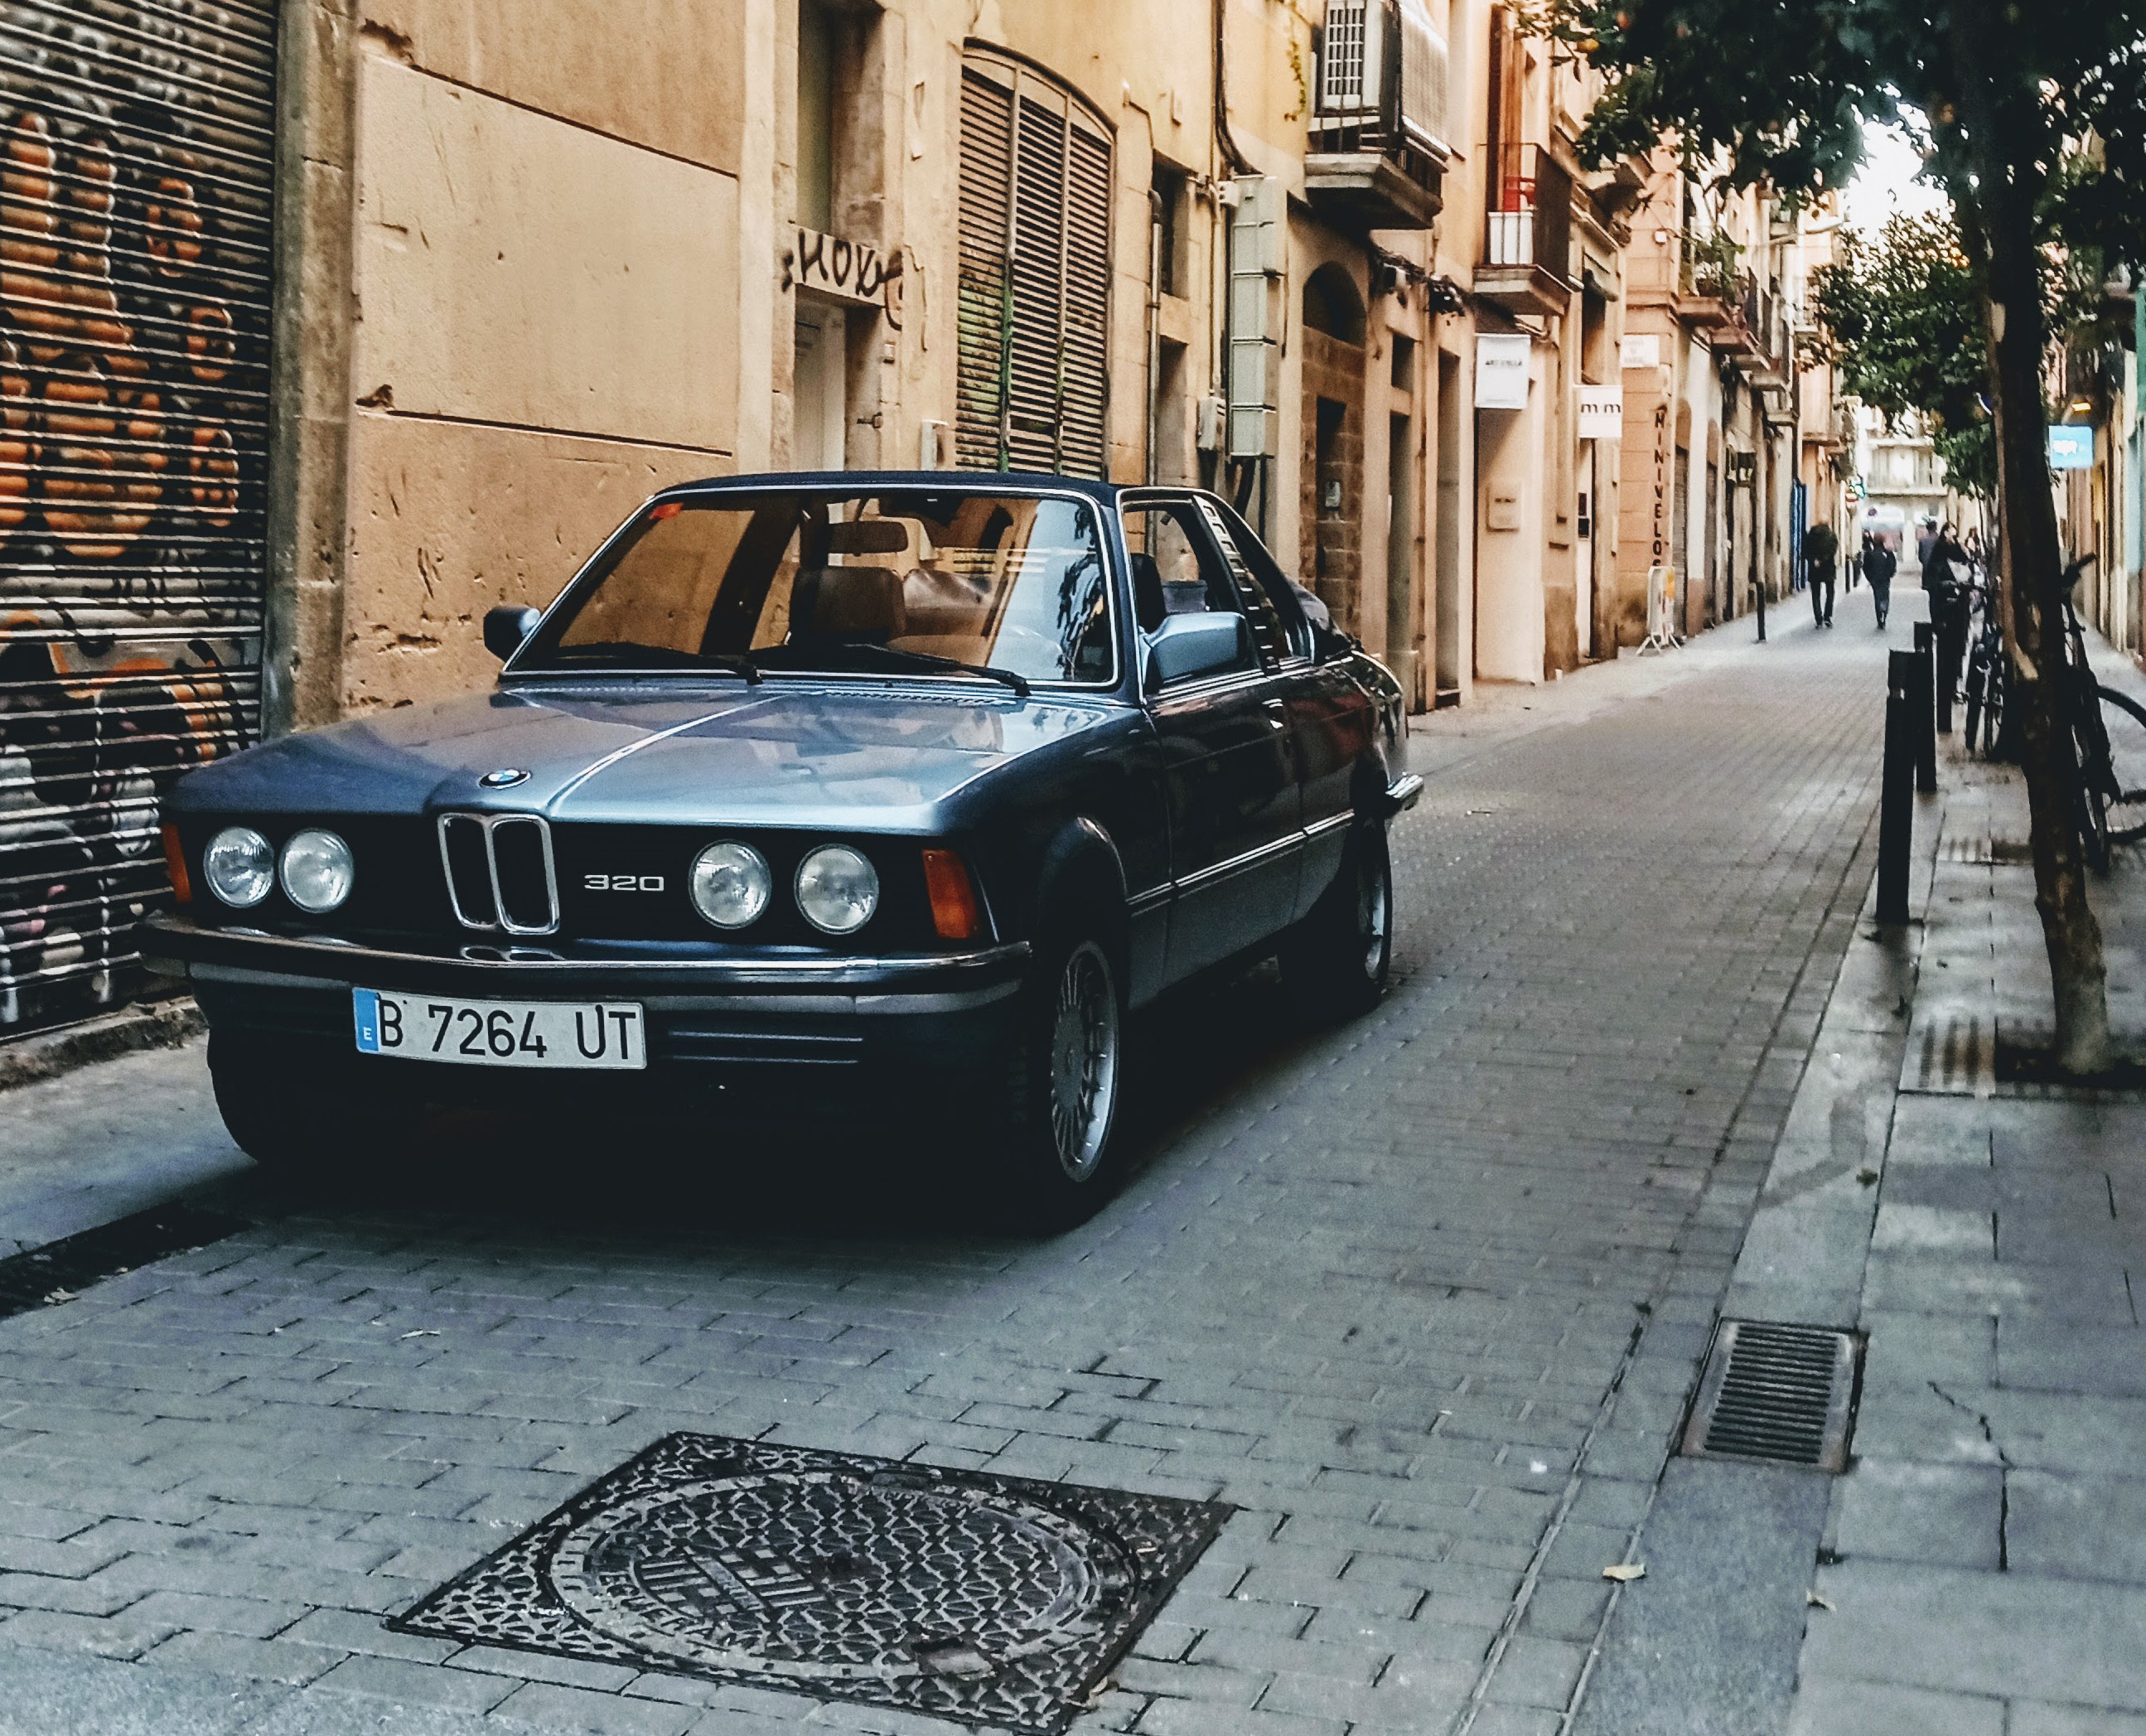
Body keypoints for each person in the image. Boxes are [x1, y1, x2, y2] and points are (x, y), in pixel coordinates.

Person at [1925, 523, 1972, 719]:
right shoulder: (1938, 565)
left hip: (1959, 617)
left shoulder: (1961, 565)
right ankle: (1947, 692)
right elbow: (1934, 592)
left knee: (1958, 653)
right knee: (1946, 659)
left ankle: (1954, 686)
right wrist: (1937, 620)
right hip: (1946, 617)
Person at [1804, 519, 1839, 626]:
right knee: (1830, 593)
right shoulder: (1832, 536)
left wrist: (1814, 560)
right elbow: (1833, 551)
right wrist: (1823, 560)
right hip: (1828, 568)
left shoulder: (1810, 535)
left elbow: (1805, 550)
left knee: (1815, 594)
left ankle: (1818, 618)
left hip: (1815, 569)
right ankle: (1827, 616)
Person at [1863, 530, 1897, 629]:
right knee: (1885, 595)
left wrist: (1870, 578)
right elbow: (1892, 565)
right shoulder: (1888, 553)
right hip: (1885, 579)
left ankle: (1879, 618)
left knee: (1877, 597)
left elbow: (1866, 567)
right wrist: (1890, 574)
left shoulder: (1870, 554)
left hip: (1875, 580)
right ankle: (1884, 611)